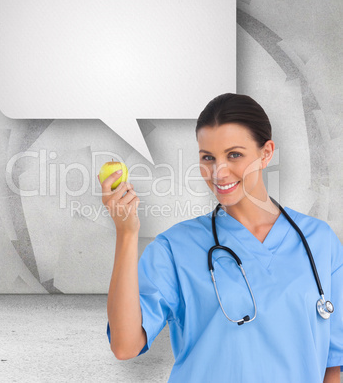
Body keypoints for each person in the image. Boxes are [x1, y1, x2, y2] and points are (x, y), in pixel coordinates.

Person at [99, 93, 343, 382]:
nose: (219, 172)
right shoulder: (176, 247)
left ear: (266, 153)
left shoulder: (319, 241)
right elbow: (125, 346)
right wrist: (126, 233)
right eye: (208, 158)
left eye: (234, 155)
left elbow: (332, 362)